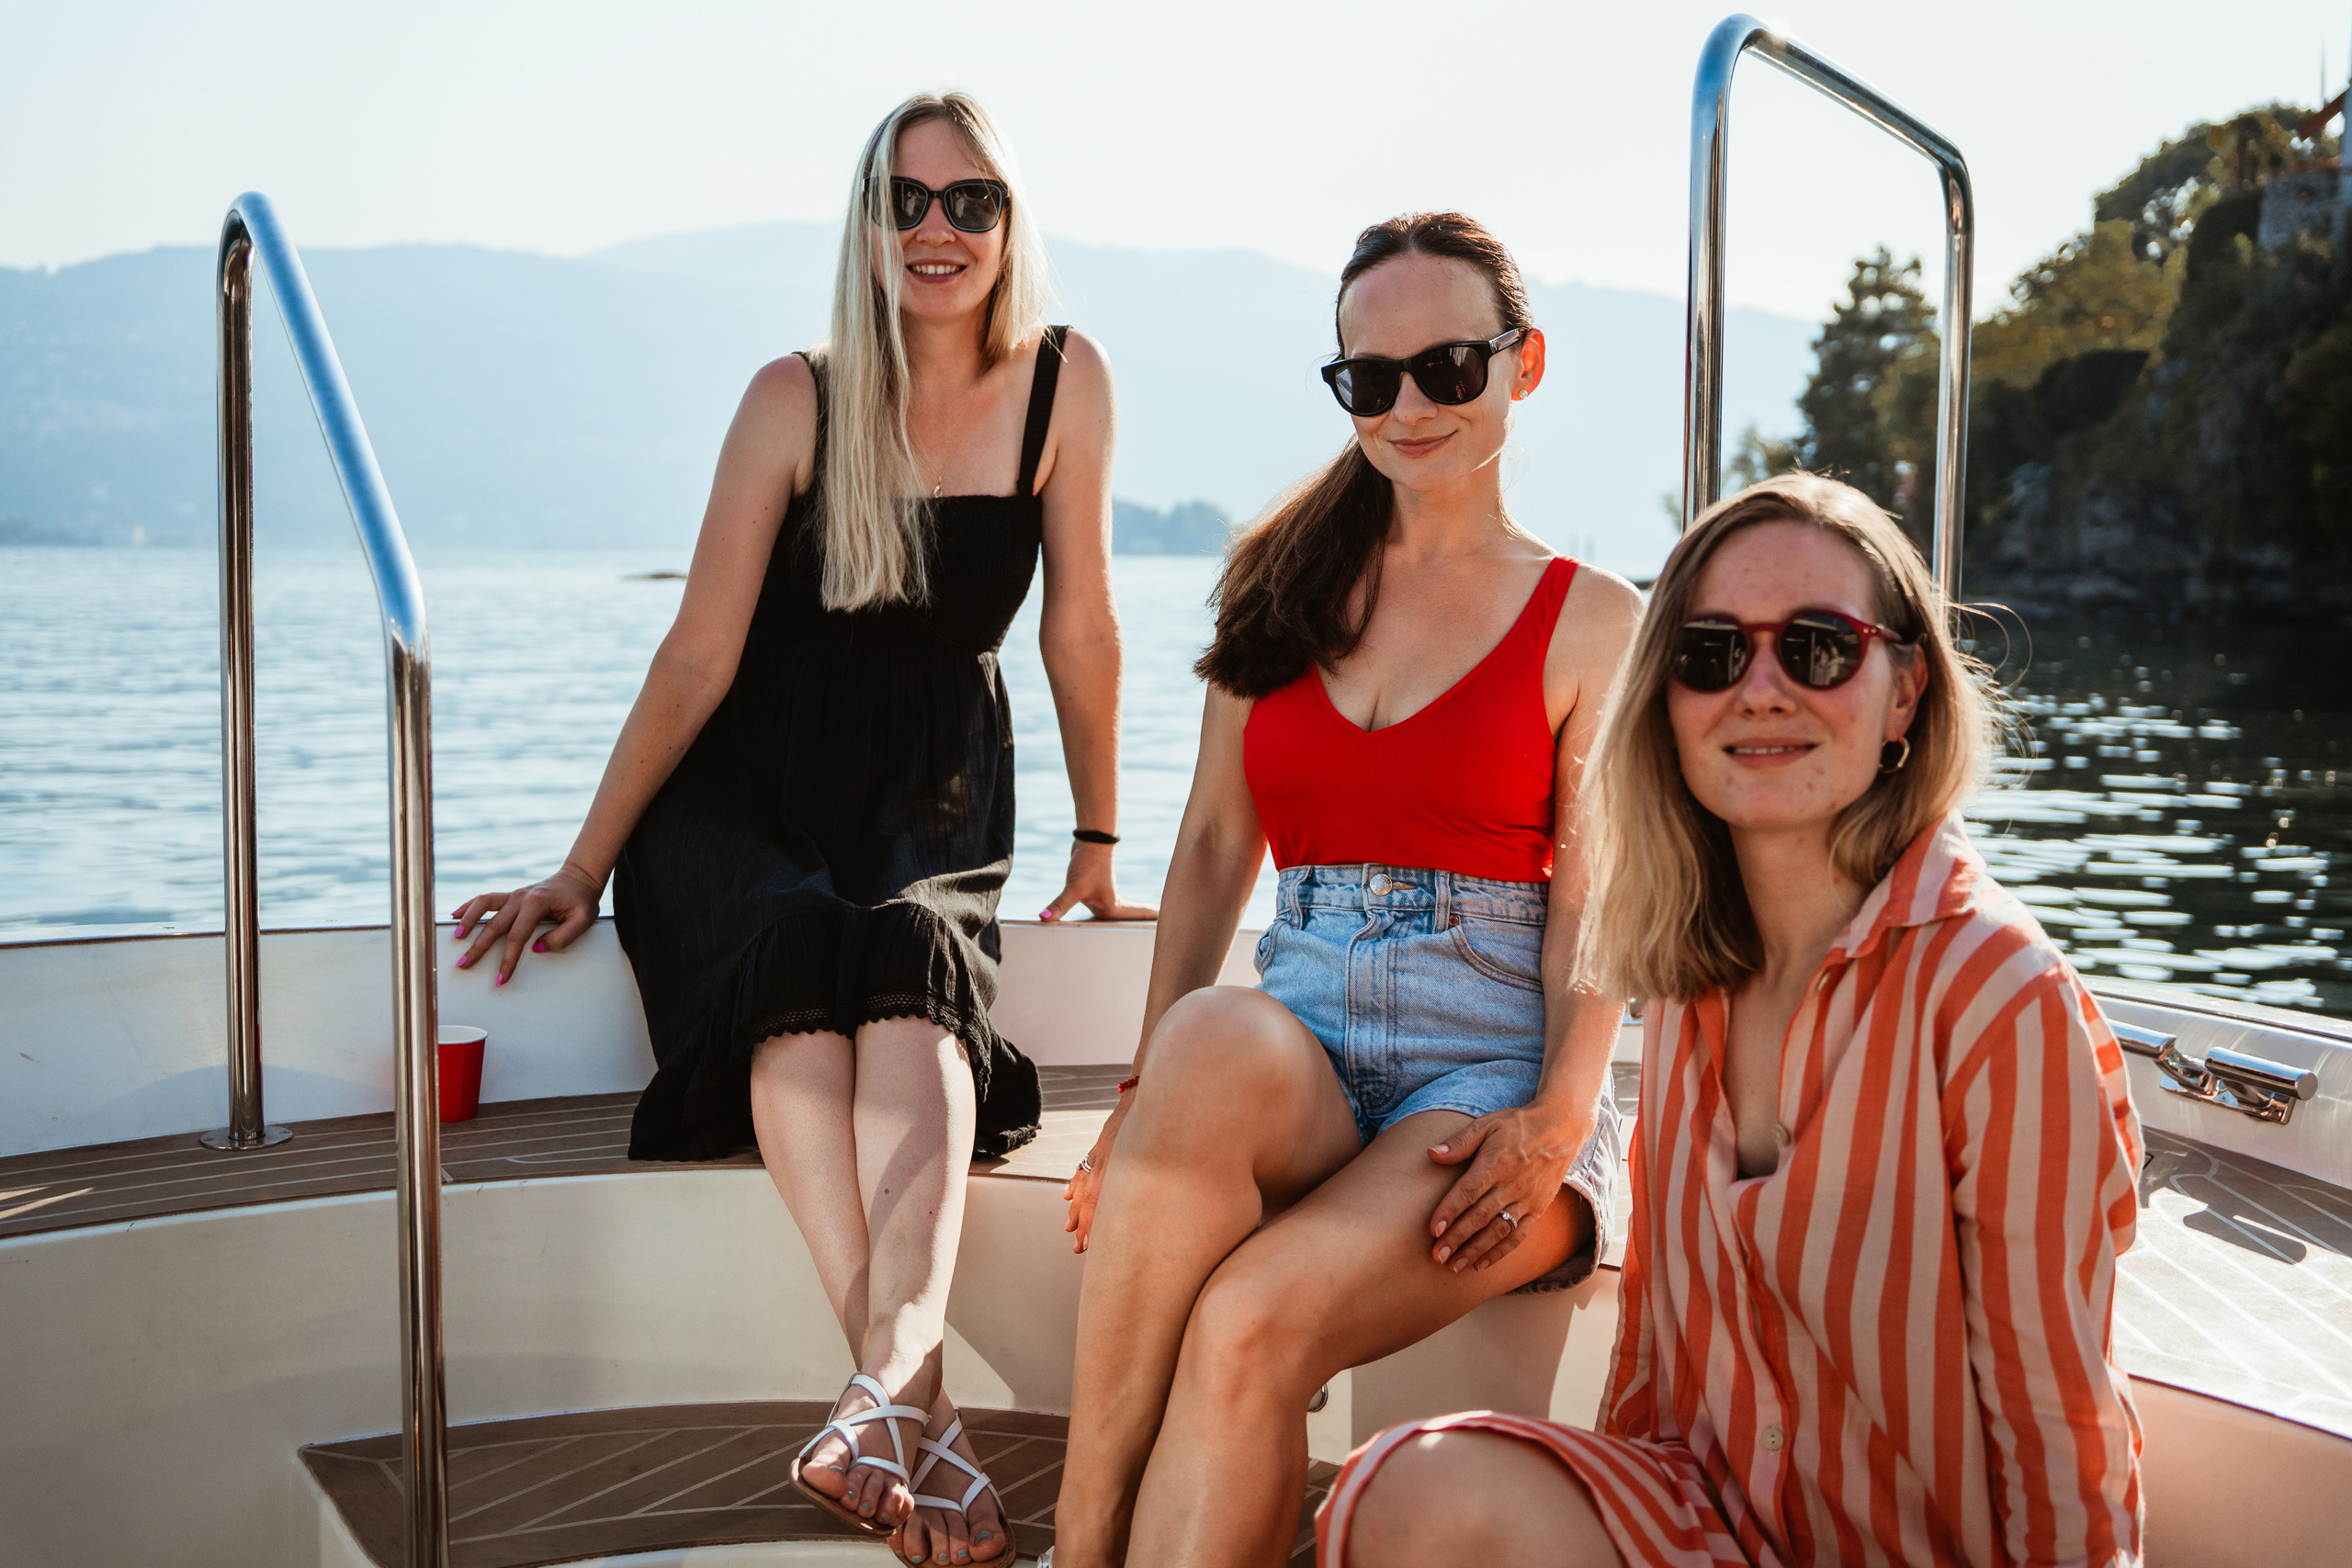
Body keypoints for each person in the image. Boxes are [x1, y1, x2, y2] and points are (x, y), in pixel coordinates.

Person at [448, 92, 1153, 1568]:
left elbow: (1083, 628)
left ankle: (883, 1395)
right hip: (742, 792)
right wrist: (584, 863)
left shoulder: (1064, 384)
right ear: (866, 225)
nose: (937, 230)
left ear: (1012, 222)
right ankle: (918, 1404)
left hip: (933, 788)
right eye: (905, 201)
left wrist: (1096, 845)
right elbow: (697, 657)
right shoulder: (794, 395)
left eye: (969, 202)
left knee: (908, 960)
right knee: (789, 954)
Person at [1320, 471, 2145, 1567]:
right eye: (1711, 654)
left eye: (1817, 647)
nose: (1760, 690)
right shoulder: (1686, 973)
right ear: (1665, 699)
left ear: (1902, 692)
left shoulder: (1997, 996)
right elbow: (1654, 1360)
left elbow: (2060, 1428)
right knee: (1396, 1492)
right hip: (1708, 1527)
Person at [1043, 212, 1640, 1568]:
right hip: (1303, 1030)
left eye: (1447, 366)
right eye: (1370, 379)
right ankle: (1079, 1545)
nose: (1409, 405)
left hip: (1488, 1072)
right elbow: (1208, 851)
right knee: (1198, 1036)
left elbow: (1603, 903)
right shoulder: (1280, 582)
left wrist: (1559, 1112)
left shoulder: (1592, 617)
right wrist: (1138, 1108)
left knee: (1244, 1316)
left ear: (1523, 363)